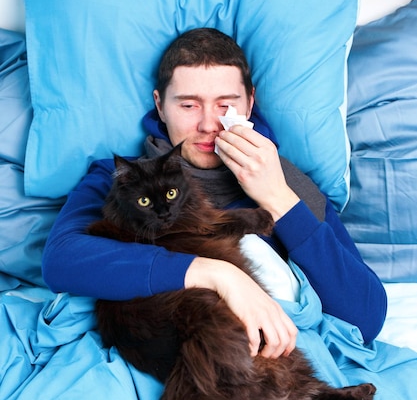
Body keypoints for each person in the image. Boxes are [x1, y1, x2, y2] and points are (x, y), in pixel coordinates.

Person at [42, 27, 387, 363]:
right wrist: (216, 274)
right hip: (163, 352)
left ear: (250, 104)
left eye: (225, 106)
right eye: (189, 105)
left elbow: (366, 318)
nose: (209, 125)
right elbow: (60, 260)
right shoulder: (119, 179)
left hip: (260, 365)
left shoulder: (290, 185)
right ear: (160, 107)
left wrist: (279, 199)